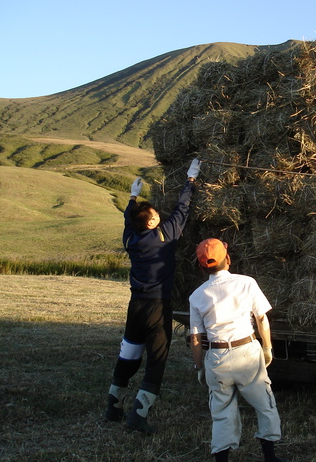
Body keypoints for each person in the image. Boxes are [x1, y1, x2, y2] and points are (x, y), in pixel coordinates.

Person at [104, 158, 201, 434]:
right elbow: (181, 211)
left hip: (135, 306)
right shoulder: (163, 236)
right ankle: (139, 414)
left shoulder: (130, 239)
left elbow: (128, 221)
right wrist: (190, 180)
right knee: (157, 359)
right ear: (152, 221)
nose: (161, 216)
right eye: (156, 215)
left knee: (130, 353)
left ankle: (114, 405)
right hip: (158, 306)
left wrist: (132, 198)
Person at [189, 238, 285, 462]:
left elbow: (195, 336)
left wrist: (198, 366)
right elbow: (261, 318)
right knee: (264, 404)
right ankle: (270, 457)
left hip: (216, 357)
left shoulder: (196, 296)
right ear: (228, 259)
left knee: (221, 412)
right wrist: (267, 347)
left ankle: (222, 460)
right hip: (246, 351)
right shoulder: (246, 283)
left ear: (202, 267)